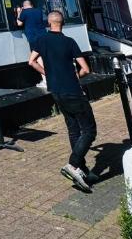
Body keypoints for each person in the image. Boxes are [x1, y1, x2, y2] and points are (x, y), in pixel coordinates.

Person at [28, 10, 97, 193]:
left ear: (49, 23)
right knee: (89, 130)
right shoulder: (69, 42)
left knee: (73, 129)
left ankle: (82, 170)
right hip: (72, 91)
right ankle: (73, 165)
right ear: (63, 23)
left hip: (56, 91)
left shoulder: (41, 40)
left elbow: (31, 62)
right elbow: (85, 69)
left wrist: (48, 74)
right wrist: (76, 76)